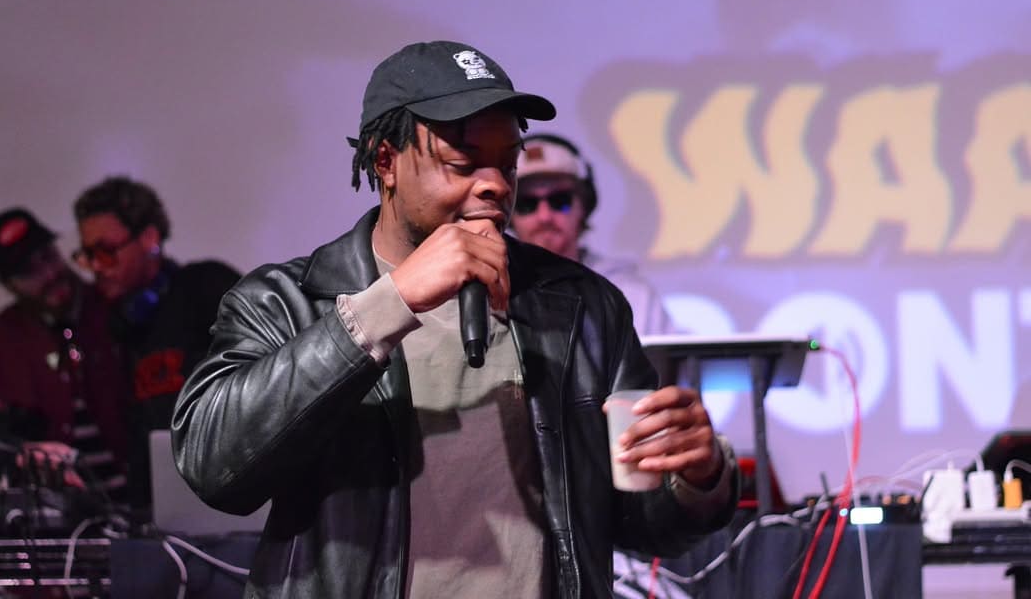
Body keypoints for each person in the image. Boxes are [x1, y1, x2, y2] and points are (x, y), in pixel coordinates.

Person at [172, 40, 737, 599]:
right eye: (463, 163)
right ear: (385, 162)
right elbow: (215, 468)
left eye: (508, 163)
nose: (496, 184)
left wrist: (698, 475)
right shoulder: (289, 300)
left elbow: (641, 526)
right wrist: (389, 304)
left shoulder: (582, 306)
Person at [72, 177, 240, 511]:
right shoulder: (110, 326)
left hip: (228, 498)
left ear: (149, 238)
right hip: (154, 511)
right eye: (88, 255)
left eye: (106, 252)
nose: (96, 267)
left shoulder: (205, 288)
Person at [0, 207, 128, 496]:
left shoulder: (115, 307)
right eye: (28, 272)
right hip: (52, 514)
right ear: (7, 285)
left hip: (140, 503)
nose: (49, 274)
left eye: (48, 256)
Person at [510, 133, 674, 337]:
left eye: (560, 201)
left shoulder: (631, 295)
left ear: (585, 206)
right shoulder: (491, 294)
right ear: (508, 214)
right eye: (526, 204)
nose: (544, 216)